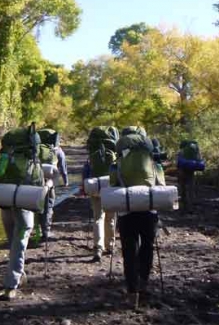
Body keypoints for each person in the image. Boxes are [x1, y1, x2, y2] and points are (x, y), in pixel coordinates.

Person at [112, 126, 165, 307]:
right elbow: (161, 184)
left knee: (129, 251)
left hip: (126, 211)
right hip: (149, 211)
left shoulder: (118, 161)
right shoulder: (153, 161)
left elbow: (112, 183)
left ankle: (132, 292)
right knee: (147, 247)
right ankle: (144, 282)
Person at [0, 124, 45, 301]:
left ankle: (18, 275)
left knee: (13, 243)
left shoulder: (8, 155)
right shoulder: (32, 160)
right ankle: (11, 285)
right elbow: (38, 184)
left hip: (5, 201)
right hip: (23, 203)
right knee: (19, 244)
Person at [82, 126, 118, 262]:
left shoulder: (93, 151)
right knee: (111, 217)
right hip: (111, 187)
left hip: (96, 186)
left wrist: (85, 186)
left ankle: (98, 247)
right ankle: (111, 245)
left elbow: (86, 170)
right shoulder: (113, 151)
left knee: (98, 218)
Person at [35, 128, 68, 243]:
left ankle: (37, 230)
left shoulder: (35, 149)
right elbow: (63, 168)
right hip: (49, 184)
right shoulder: (57, 150)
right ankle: (46, 231)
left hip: (35, 183)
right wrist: (65, 181)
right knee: (48, 206)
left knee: (35, 207)